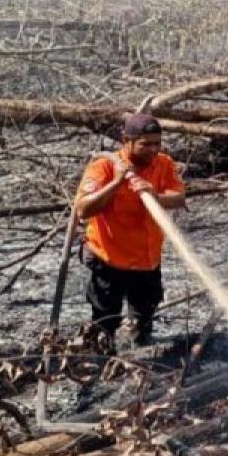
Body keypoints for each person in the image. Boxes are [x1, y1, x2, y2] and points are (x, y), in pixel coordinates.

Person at [74, 113, 186, 348]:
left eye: (157, 143)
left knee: (145, 311)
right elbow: (83, 209)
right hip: (109, 259)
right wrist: (116, 183)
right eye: (146, 144)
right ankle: (103, 356)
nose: (153, 150)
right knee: (106, 317)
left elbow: (178, 197)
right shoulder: (104, 166)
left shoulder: (163, 163)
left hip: (147, 260)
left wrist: (154, 194)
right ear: (127, 140)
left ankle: (139, 349)